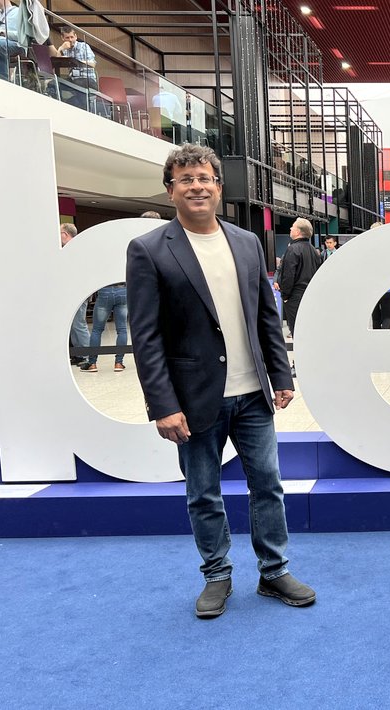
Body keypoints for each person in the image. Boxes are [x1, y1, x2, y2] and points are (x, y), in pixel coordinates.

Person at [126, 144, 314, 618]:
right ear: (171, 191)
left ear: (218, 186)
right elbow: (145, 336)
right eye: (185, 179)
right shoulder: (148, 249)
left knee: (268, 484)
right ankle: (217, 575)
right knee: (203, 493)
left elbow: (266, 317)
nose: (197, 186)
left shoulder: (247, 242)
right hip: (192, 399)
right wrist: (162, 405)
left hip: (253, 394)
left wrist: (280, 373)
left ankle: (273, 572)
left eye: (205, 178)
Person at [278, 217, 322, 344]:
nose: (290, 228)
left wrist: (285, 295)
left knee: (296, 329)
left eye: (293, 226)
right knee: (308, 330)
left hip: (295, 296)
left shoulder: (293, 249)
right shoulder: (314, 251)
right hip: (309, 294)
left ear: (298, 232)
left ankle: (299, 362)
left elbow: (288, 274)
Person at [80, 281, 128, 373]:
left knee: (97, 330)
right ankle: (118, 363)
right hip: (122, 290)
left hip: (105, 290)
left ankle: (92, 364)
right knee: (122, 330)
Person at [60, 223, 90, 366]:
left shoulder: (76, 249)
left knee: (78, 324)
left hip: (78, 292)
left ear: (65, 234)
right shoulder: (73, 248)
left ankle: (85, 354)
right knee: (73, 324)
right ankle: (78, 354)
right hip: (69, 292)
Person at [56, 27, 100, 113]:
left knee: (78, 90)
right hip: (73, 80)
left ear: (76, 37)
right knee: (53, 84)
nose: (70, 40)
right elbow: (57, 62)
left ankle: (83, 111)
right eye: (67, 38)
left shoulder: (84, 46)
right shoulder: (65, 49)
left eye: (72, 37)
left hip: (88, 79)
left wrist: (76, 61)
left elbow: (93, 64)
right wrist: (60, 49)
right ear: (63, 38)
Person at [0, 0, 27, 85]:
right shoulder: (0, 14)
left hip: (17, 44)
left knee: (0, 44)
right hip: (2, 43)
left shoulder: (18, 12)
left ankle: (3, 81)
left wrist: (3, 32)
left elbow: (22, 36)